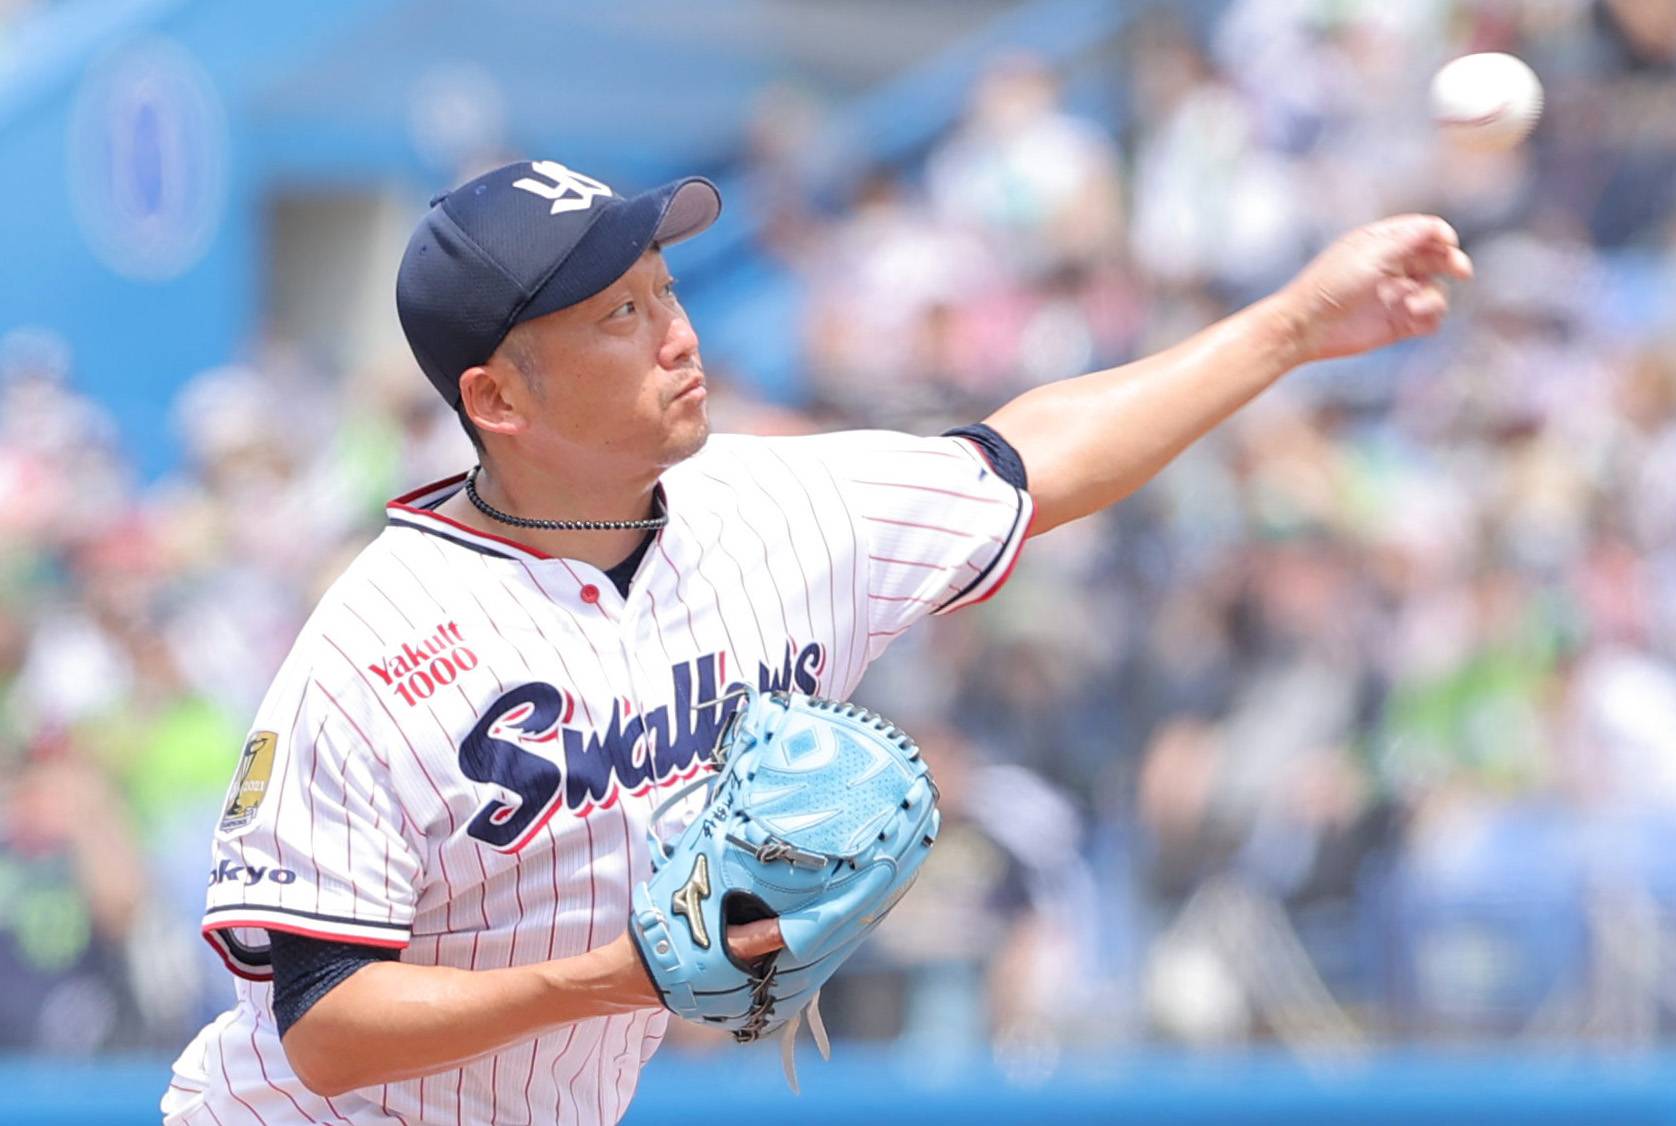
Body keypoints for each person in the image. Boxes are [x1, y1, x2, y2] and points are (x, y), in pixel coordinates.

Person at [161, 157, 1470, 1124]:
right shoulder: (378, 647)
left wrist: (1296, 328)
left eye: (664, 287)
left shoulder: (779, 510)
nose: (677, 332)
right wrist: (626, 976)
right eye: (617, 314)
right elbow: (323, 1022)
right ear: (497, 397)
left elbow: (1032, 459)